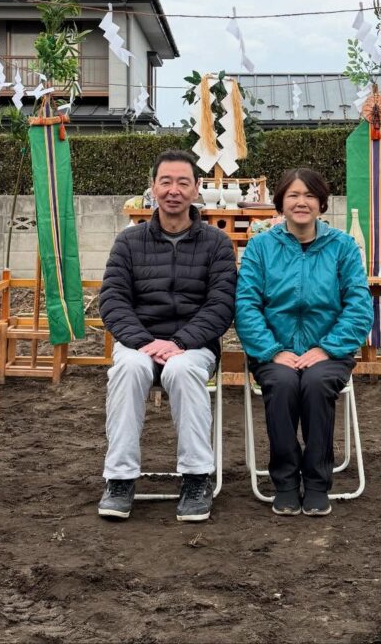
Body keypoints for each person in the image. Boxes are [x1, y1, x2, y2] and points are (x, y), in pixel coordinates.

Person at [97, 149, 237, 522]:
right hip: (138, 343)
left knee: (182, 371)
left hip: (193, 347)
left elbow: (220, 305)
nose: (173, 190)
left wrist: (179, 343)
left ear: (196, 191)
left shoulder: (217, 244)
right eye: (166, 182)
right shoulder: (128, 242)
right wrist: (144, 342)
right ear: (152, 188)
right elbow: (112, 300)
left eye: (183, 183)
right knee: (127, 371)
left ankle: (196, 477)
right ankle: (120, 479)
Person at [235, 167, 374, 517]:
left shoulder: (342, 247)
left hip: (329, 351)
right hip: (273, 352)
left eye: (309, 195)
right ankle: (284, 481)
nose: (301, 202)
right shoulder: (260, 247)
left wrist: (326, 348)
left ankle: (315, 483)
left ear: (321, 203)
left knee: (315, 383)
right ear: (280, 202)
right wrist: (271, 351)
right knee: (281, 384)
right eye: (293, 195)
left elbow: (359, 305)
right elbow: (246, 304)